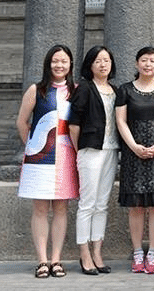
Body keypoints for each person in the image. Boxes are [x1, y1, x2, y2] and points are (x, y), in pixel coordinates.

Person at [16, 44, 80, 279]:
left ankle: (56, 260)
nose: (59, 65)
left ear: (70, 64)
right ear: (48, 63)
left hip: (66, 154)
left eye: (64, 61)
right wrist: (33, 146)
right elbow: (22, 122)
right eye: (55, 61)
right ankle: (42, 261)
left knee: (61, 208)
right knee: (41, 208)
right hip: (40, 155)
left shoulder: (76, 90)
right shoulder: (37, 90)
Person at [115, 46, 154, 275]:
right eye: (144, 60)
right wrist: (133, 146)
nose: (148, 64)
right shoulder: (125, 90)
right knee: (136, 206)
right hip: (134, 152)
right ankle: (137, 252)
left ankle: (152, 252)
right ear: (136, 63)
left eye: (152, 60)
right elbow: (121, 121)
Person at [68, 45, 120, 276]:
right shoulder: (85, 88)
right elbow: (74, 124)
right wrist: (79, 150)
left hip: (111, 150)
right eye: (97, 60)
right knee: (87, 204)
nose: (102, 64)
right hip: (90, 150)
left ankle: (97, 252)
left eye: (106, 60)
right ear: (90, 65)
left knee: (102, 204)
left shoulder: (115, 90)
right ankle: (84, 254)